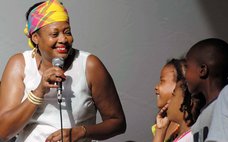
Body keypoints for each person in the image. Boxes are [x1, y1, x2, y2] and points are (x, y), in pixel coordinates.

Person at [0, 0, 126, 142]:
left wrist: (81, 132)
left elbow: (117, 122)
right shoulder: (19, 64)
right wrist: (39, 91)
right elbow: (4, 131)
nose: (63, 39)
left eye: (67, 32)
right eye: (54, 34)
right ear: (35, 38)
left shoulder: (90, 65)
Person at [185, 38, 228, 142]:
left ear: (202, 70)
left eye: (187, 67)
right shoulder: (199, 120)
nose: (185, 75)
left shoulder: (227, 97)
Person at [153, 59, 205, 142]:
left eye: (162, 81)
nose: (156, 87)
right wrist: (160, 131)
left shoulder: (191, 137)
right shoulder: (163, 125)